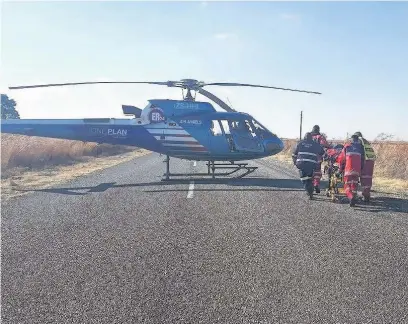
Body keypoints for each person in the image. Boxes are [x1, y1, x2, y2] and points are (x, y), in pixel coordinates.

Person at [292, 132, 326, 199]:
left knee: (304, 178)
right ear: (311, 138)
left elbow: (294, 154)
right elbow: (322, 152)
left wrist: (295, 162)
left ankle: (309, 190)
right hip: (311, 164)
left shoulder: (300, 143)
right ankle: (310, 190)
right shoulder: (315, 144)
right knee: (310, 177)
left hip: (301, 164)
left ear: (304, 137)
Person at [337, 134, 365, 207]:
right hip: (357, 170)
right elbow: (363, 160)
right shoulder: (361, 147)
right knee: (354, 185)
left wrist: (340, 170)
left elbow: (342, 159)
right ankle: (353, 196)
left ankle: (351, 197)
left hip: (348, 170)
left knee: (347, 185)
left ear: (351, 140)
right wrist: (361, 169)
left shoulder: (347, 146)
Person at [353, 131, 376, 202]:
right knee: (367, 179)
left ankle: (353, 195)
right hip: (370, 160)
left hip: (363, 160)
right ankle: (366, 195)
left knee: (355, 176)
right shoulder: (365, 141)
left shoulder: (357, 141)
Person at [310, 125, 330, 193]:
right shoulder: (320, 137)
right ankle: (316, 184)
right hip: (317, 158)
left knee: (310, 172)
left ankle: (310, 186)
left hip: (309, 158)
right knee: (317, 172)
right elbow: (325, 145)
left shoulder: (309, 136)